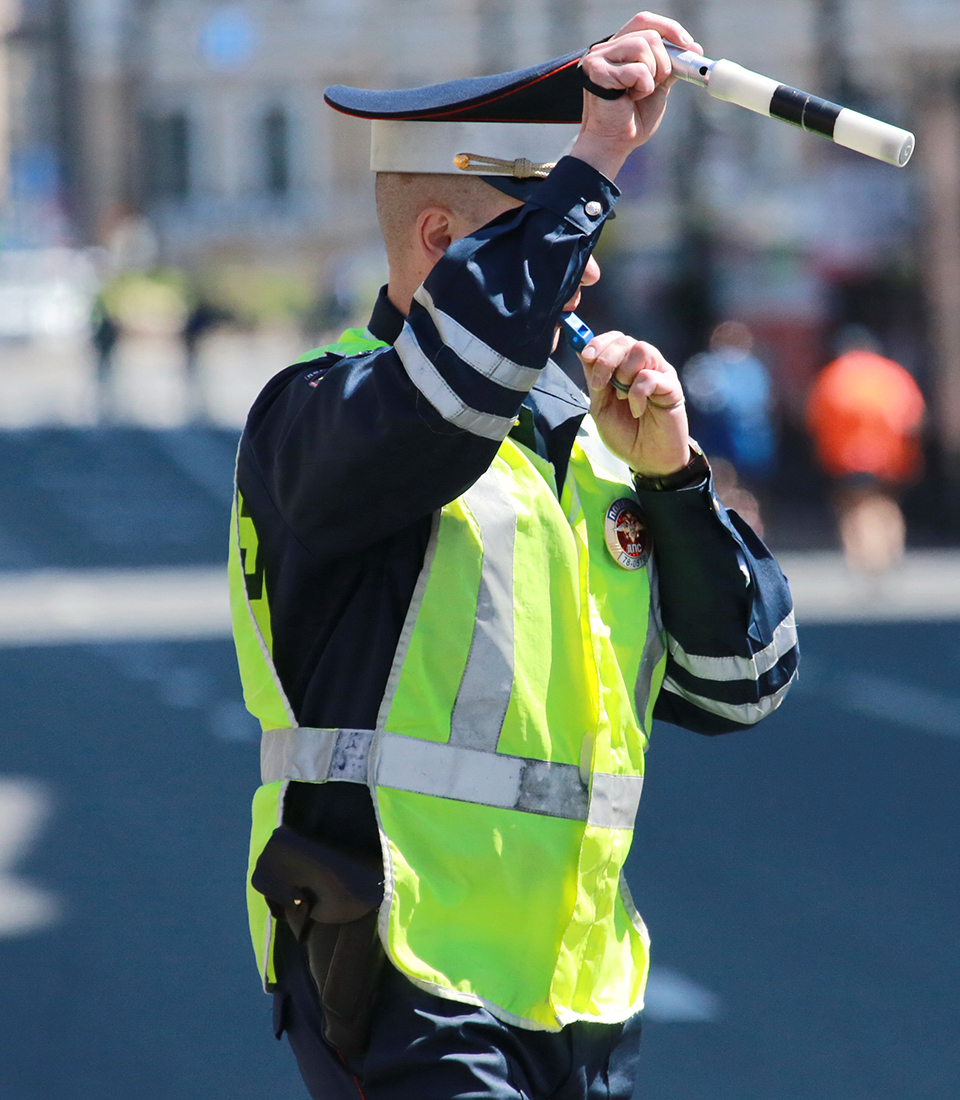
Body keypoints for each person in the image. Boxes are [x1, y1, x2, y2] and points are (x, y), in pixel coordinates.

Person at [229, 18, 798, 1100]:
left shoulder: (587, 437)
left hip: (579, 985)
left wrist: (674, 482)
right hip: (402, 950)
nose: (580, 278)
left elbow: (746, 686)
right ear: (439, 240)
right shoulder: (322, 411)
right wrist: (591, 163)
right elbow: (446, 388)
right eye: (552, 239)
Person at [805, 325, 925, 576]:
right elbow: (913, 417)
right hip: (891, 457)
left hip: (846, 458)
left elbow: (815, 419)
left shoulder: (833, 376)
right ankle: (891, 549)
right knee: (886, 503)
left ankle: (865, 557)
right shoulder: (892, 374)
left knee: (854, 508)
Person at [681, 320, 775, 533]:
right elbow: (700, 400)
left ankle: (749, 531)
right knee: (722, 486)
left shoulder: (753, 368)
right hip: (720, 441)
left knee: (747, 491)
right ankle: (726, 528)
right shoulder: (706, 365)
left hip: (750, 444)